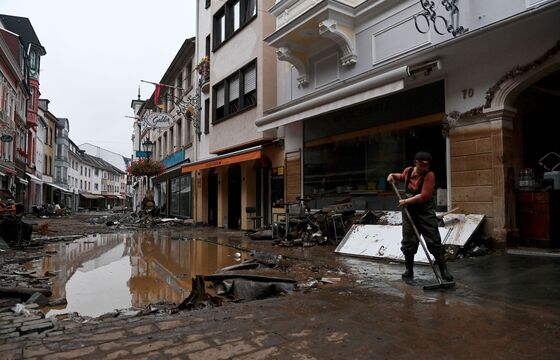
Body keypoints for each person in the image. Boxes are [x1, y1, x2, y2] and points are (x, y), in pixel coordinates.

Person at [387, 151, 453, 281]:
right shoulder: (408, 171)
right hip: (409, 213)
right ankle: (409, 269)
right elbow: (400, 176)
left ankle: (444, 272)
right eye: (422, 165)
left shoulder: (429, 175)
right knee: (408, 242)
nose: (425, 168)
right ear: (416, 162)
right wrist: (392, 175)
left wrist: (406, 201)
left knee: (434, 242)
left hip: (425, 213)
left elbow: (424, 196)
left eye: (427, 165)